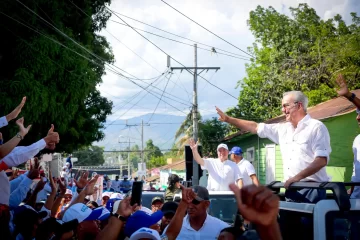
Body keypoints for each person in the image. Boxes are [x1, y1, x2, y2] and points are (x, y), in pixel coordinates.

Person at [216, 90, 331, 203]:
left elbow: (321, 160)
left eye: (286, 106)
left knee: (311, 222)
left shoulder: (316, 127)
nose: (282, 110)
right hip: (291, 190)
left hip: (312, 190)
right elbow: (255, 127)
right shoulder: (283, 129)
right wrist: (228, 119)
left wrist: (297, 177)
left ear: (299, 106)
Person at [163, 185, 229, 239]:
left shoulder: (222, 228)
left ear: (206, 204)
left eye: (195, 202)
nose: (190, 206)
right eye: (187, 202)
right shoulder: (173, 228)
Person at [335, 74, 360, 198]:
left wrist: (349, 96)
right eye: (357, 113)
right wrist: (352, 190)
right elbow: (357, 170)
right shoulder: (357, 140)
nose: (357, 117)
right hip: (355, 198)